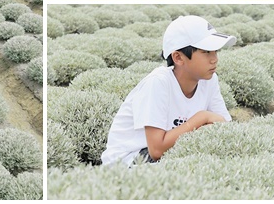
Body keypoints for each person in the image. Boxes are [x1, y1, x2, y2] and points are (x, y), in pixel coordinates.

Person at [100, 15, 235, 166]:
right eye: (206, 52)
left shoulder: (210, 80)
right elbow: (156, 150)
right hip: (128, 161)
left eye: (215, 51)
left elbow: (225, 127)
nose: (214, 59)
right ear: (178, 57)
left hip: (165, 154)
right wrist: (202, 118)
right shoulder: (158, 83)